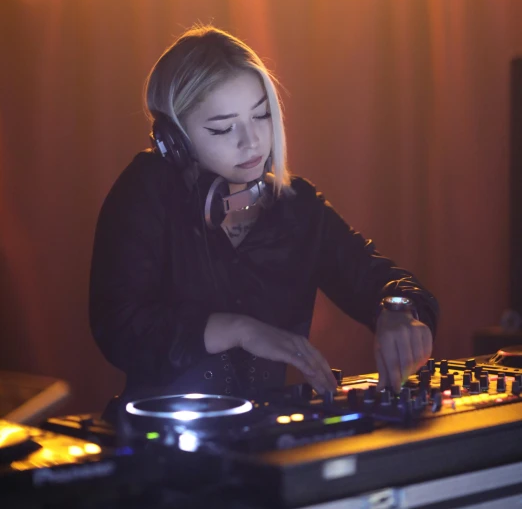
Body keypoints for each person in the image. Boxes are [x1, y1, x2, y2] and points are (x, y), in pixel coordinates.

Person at [89, 25, 438, 407]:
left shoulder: (296, 206)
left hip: (269, 439)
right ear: (174, 140)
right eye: (223, 128)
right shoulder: (147, 191)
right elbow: (120, 329)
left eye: (261, 116)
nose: (251, 141)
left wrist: (396, 310)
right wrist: (238, 329)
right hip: (162, 445)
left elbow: (381, 280)